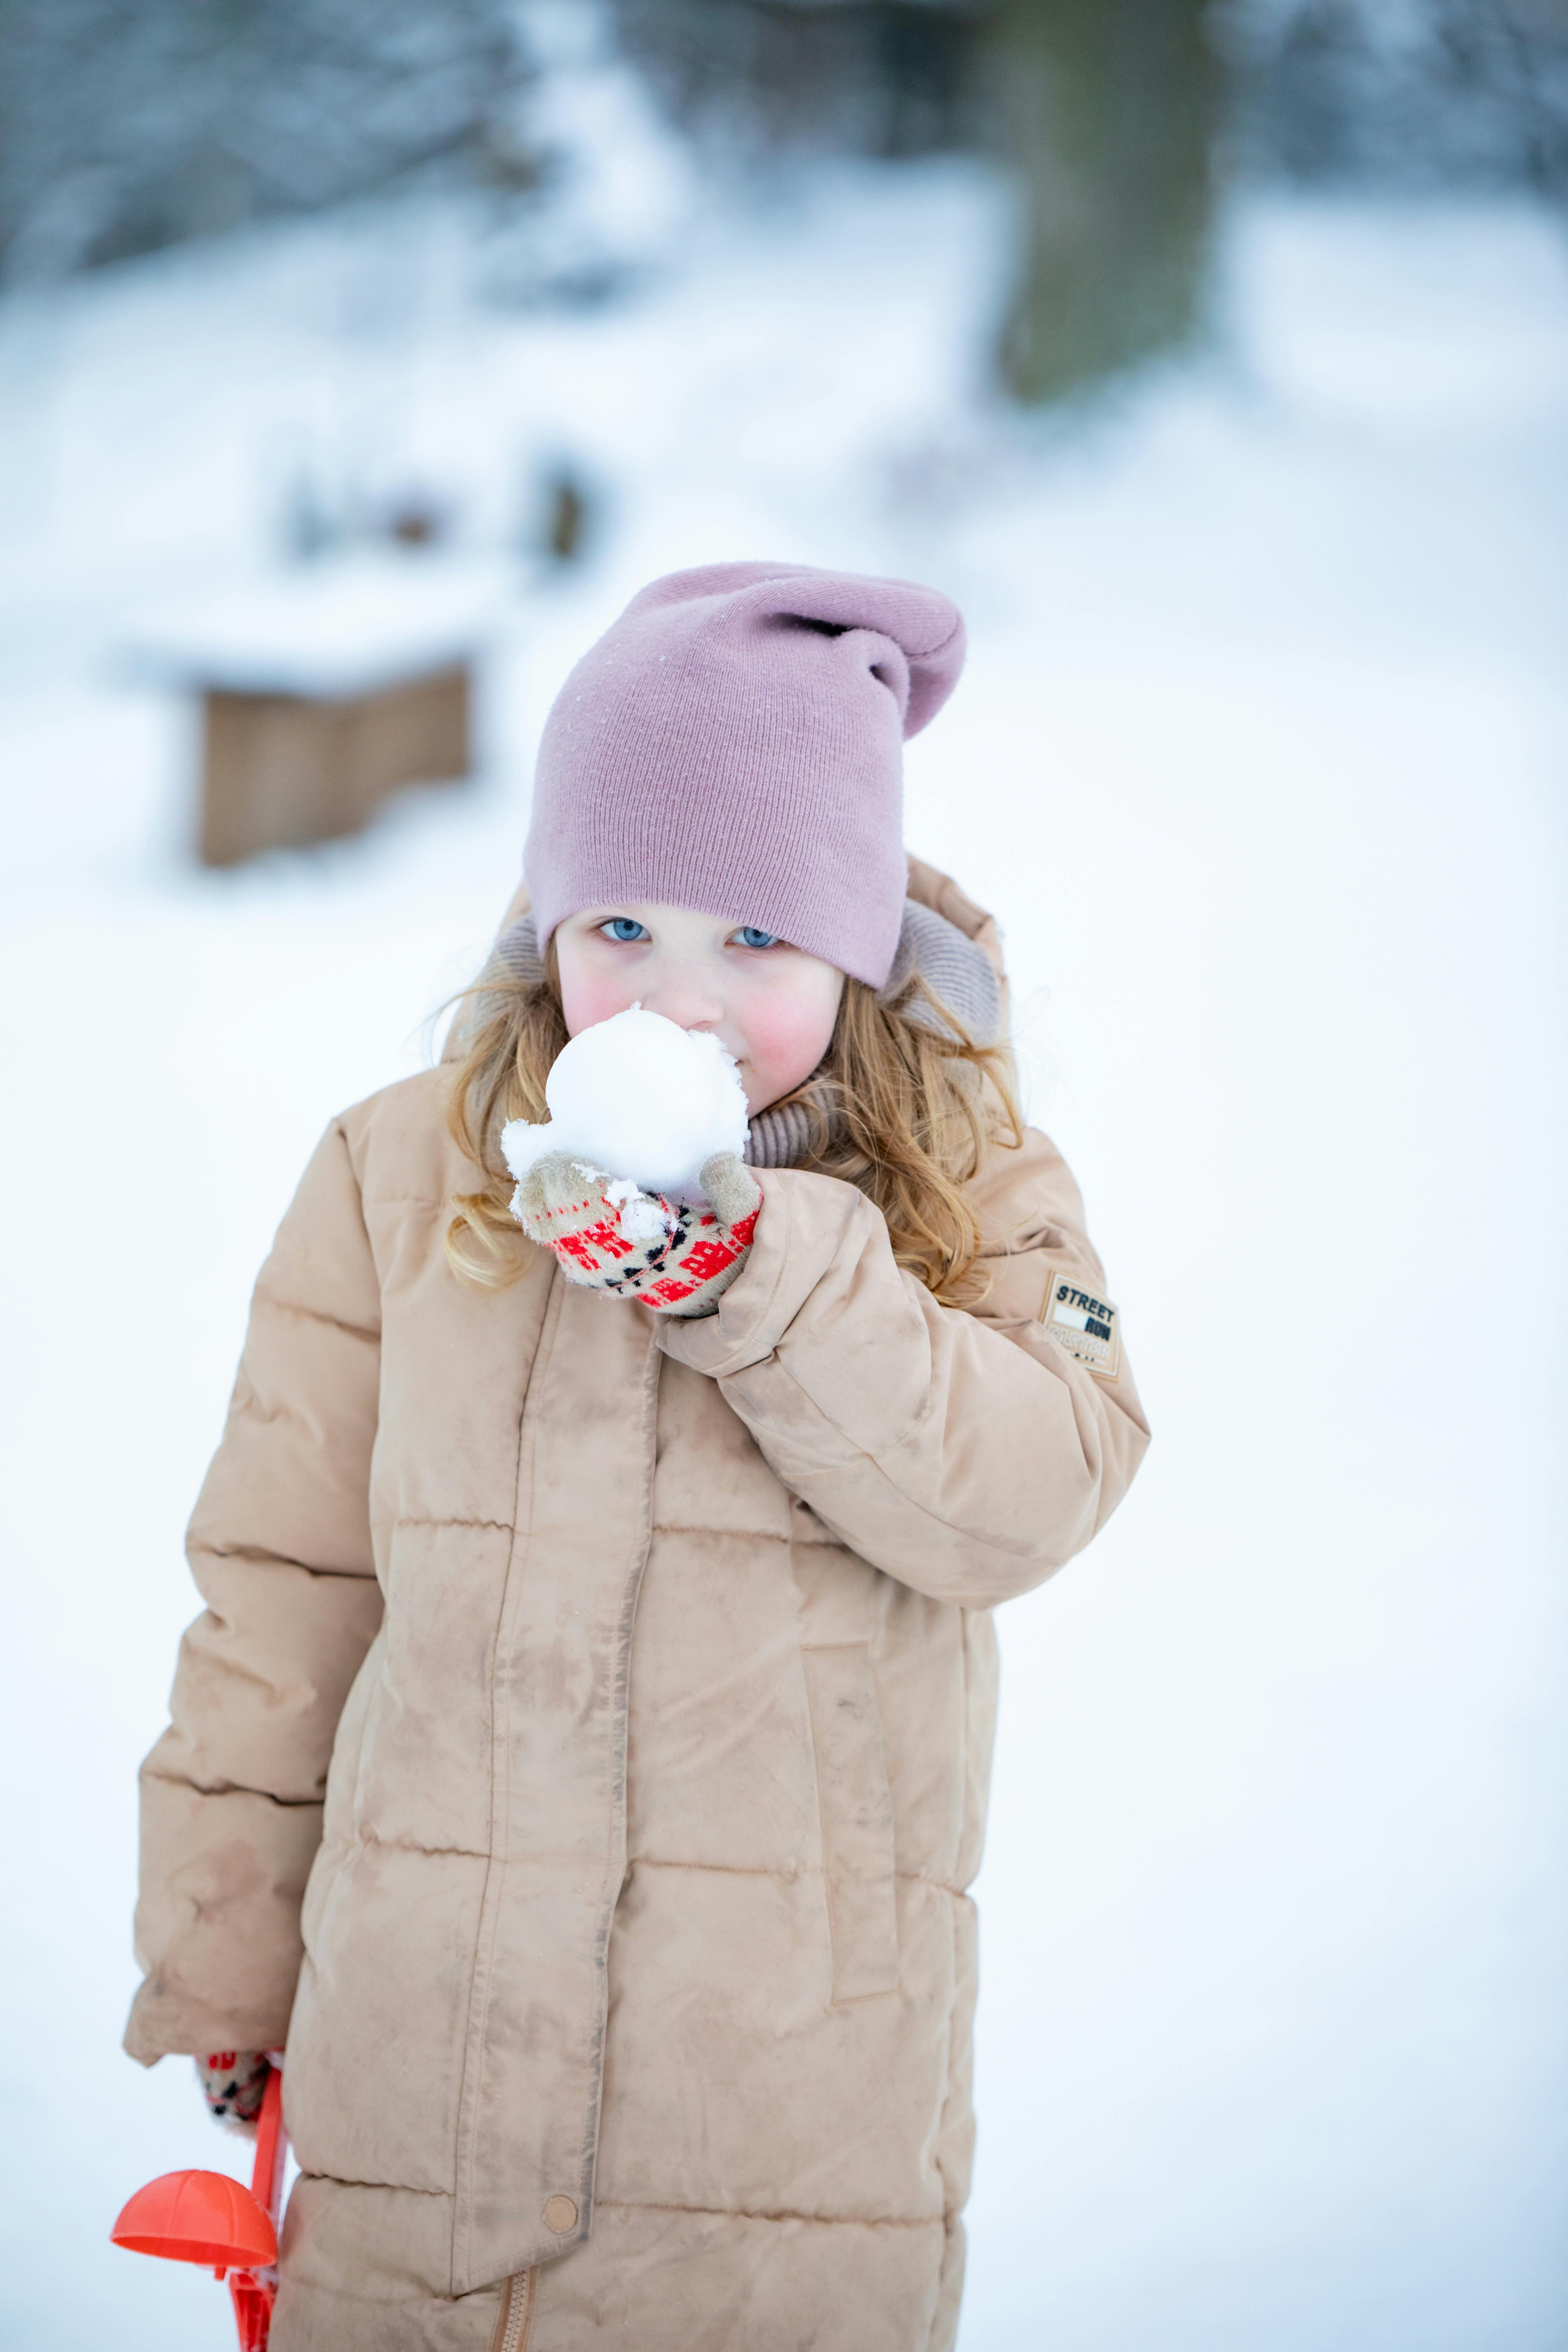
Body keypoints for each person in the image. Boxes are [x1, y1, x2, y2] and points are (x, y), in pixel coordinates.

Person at [125, 561, 1150, 2352]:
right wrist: (231, 1952)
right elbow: (284, 1592)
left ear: (850, 941)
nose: (681, 1003)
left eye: (754, 940)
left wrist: (763, 1274)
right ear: (547, 926)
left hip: (780, 2128)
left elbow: (1035, 1485)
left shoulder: (965, 1180)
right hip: (415, 2102)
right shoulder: (400, 1174)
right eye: (622, 931)